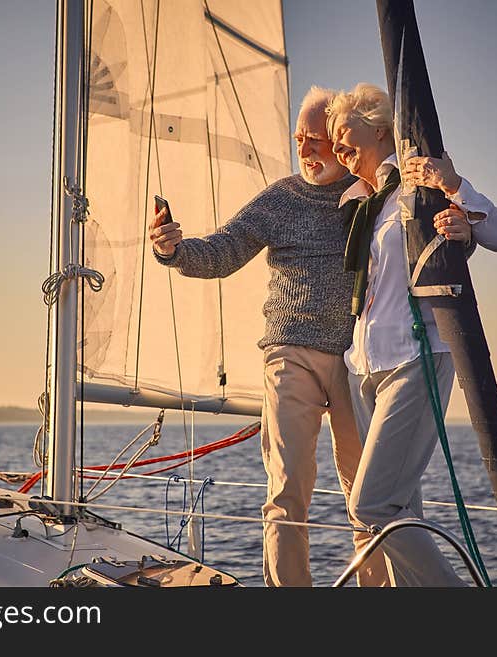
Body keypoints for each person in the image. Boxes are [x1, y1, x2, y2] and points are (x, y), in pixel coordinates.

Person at [149, 87, 390, 587]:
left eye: (317, 140)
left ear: (345, 143)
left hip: (354, 360)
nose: (305, 150)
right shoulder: (280, 198)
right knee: (288, 489)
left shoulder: (372, 198)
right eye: (298, 138)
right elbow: (222, 251)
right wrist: (173, 249)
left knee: (367, 493)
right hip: (291, 354)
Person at [325, 83, 497, 586]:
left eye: (344, 135)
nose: (338, 148)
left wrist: (453, 190)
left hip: (415, 356)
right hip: (364, 367)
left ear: (380, 126)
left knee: (371, 507)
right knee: (402, 512)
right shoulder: (357, 205)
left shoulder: (416, 187)